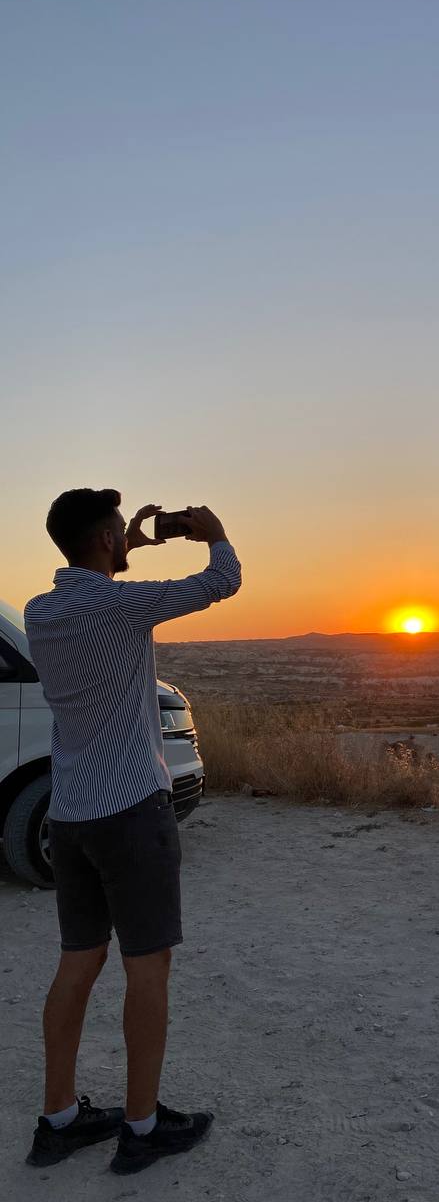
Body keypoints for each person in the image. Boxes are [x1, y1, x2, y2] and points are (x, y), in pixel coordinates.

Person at [23, 490, 241, 1175]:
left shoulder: (41, 609)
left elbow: (95, 581)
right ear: (102, 540)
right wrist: (213, 532)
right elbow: (223, 581)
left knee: (77, 961)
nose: (129, 536)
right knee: (148, 969)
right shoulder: (122, 605)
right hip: (132, 813)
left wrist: (124, 547)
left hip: (72, 812)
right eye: (119, 531)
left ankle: (58, 1119)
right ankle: (141, 1128)